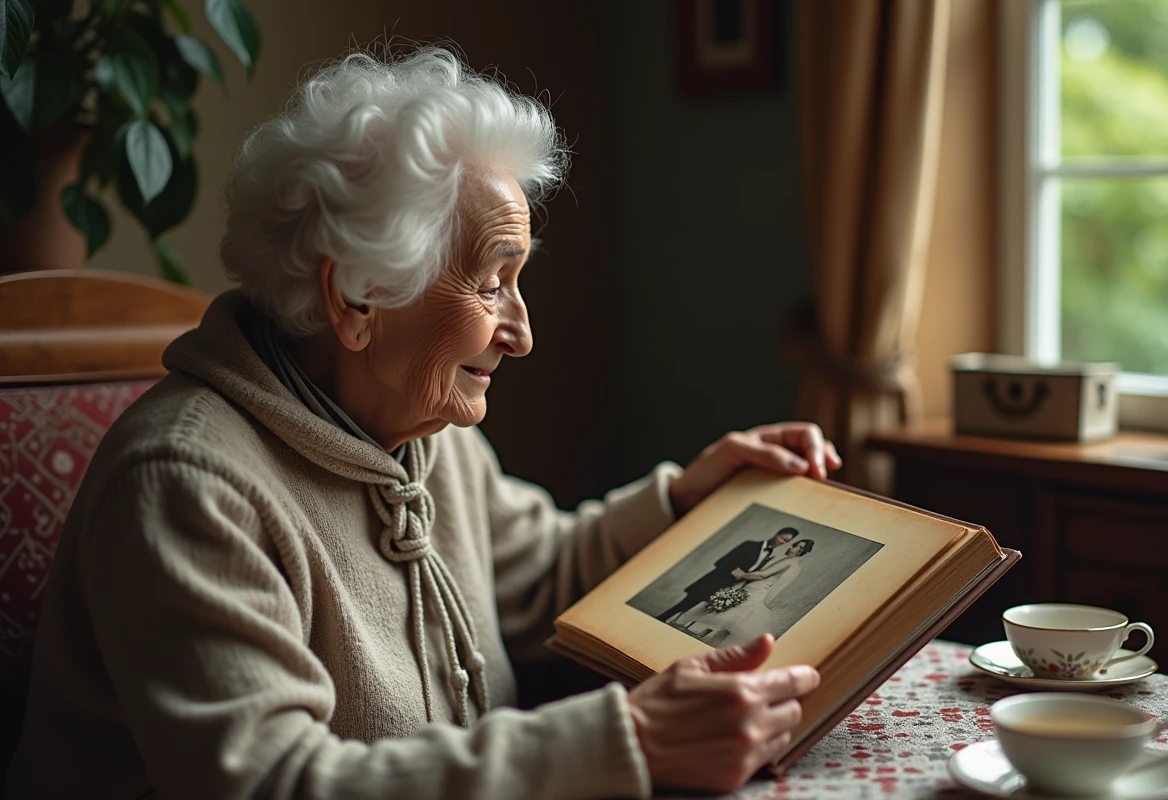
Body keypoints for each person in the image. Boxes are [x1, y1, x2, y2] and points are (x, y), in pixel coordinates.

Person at [6, 47, 843, 799]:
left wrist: (684, 498)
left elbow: (543, 575)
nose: (521, 332)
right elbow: (275, 782)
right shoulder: (186, 484)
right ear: (356, 297)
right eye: (491, 283)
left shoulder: (419, 429)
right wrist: (630, 741)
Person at [677, 539, 817, 645]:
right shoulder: (794, 565)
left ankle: (702, 634)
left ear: (801, 552)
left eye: (798, 547)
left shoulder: (789, 562)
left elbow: (763, 575)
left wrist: (742, 574)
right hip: (757, 588)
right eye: (795, 544)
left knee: (732, 612)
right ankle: (702, 634)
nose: (792, 547)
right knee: (732, 613)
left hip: (757, 589)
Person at [656, 526, 799, 623]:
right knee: (682, 607)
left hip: (725, 589)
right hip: (711, 583)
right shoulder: (750, 545)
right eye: (782, 538)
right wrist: (734, 570)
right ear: (777, 534)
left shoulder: (770, 554)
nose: (782, 542)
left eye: (786, 542)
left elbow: (750, 573)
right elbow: (721, 562)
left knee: (694, 615)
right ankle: (656, 621)